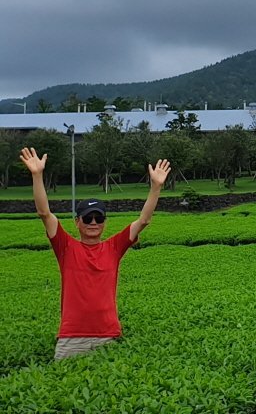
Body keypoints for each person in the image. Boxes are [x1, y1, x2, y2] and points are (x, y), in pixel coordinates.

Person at [19, 146, 172, 361]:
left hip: (109, 335)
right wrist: (37, 175)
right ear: (77, 222)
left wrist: (156, 187)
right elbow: (44, 213)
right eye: (87, 218)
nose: (93, 223)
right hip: (71, 338)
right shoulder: (65, 247)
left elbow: (143, 220)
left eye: (98, 219)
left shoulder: (113, 247)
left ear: (104, 223)